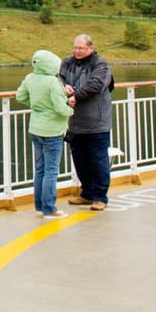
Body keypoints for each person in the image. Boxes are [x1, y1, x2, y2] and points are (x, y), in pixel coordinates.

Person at [16, 49, 75, 219]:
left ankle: (40, 207)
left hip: (35, 128)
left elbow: (20, 96)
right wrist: (70, 108)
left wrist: (36, 106)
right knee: (51, 170)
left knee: (40, 169)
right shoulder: (52, 82)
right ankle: (50, 208)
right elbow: (59, 108)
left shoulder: (30, 78)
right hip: (52, 131)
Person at [59, 34, 114, 211]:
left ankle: (100, 197)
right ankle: (87, 193)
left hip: (97, 121)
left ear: (90, 48)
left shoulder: (100, 64)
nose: (77, 51)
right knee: (80, 158)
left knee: (98, 159)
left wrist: (76, 95)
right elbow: (58, 77)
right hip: (76, 122)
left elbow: (96, 85)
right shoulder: (67, 62)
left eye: (81, 48)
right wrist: (63, 86)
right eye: (75, 48)